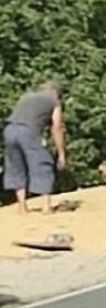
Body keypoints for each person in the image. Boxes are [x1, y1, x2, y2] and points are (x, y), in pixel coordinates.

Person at [3, 82, 66, 215]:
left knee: (16, 167)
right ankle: (46, 207)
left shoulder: (27, 96)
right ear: (57, 93)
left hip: (9, 130)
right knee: (42, 164)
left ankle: (22, 208)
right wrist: (61, 153)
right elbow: (57, 127)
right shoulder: (54, 102)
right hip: (28, 131)